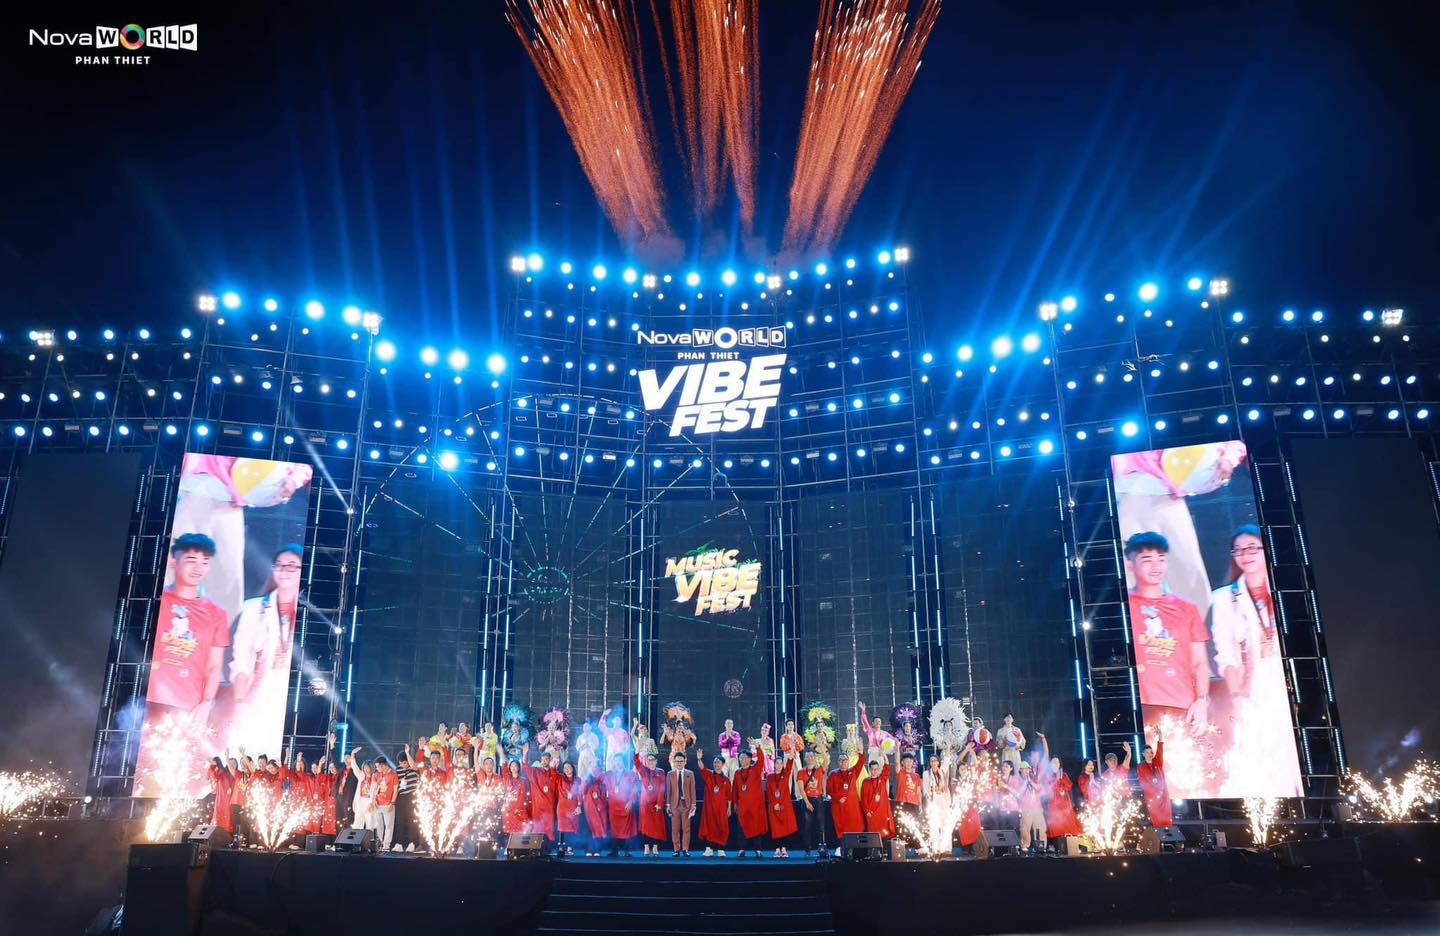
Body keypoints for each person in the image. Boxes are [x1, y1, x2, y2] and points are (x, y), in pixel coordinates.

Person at [1210, 525, 1304, 797]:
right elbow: (1225, 653)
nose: (1245, 554)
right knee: (1261, 758)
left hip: (1287, 683)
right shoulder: (1224, 598)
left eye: (1252, 547)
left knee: (1295, 757)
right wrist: (1236, 697)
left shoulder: (1286, 590)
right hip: (1254, 689)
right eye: (1238, 550)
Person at [136, 534, 231, 795]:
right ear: (173, 562)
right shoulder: (156, 602)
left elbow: (214, 666)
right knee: (139, 774)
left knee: (173, 777)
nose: (198, 568)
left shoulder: (216, 614)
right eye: (191, 560)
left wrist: (206, 703)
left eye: (205, 562)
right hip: (148, 700)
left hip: (187, 707)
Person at [1125, 532, 1212, 729]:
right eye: (1147, 560)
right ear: (1130, 564)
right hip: (1140, 706)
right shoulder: (1123, 606)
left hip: (1180, 706)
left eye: (1161, 559)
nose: (1156, 566)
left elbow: (1200, 662)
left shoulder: (1187, 608)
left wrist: (1201, 700)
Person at [226, 545, 304, 754]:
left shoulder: (307, 613)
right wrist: (240, 702)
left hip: (291, 701)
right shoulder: (254, 608)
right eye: (279, 565)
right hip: (257, 698)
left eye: (292, 565)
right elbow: (241, 658)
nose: (284, 570)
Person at [1038, 734, 1081, 844]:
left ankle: (1068, 846)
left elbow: (1069, 787)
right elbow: (1047, 789)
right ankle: (1057, 846)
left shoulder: (1064, 775)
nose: (1055, 764)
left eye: (1057, 762)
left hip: (1065, 804)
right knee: (1056, 828)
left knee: (1068, 829)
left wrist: (1060, 778)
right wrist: (1055, 779)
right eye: (1053, 762)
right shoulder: (1048, 776)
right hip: (1054, 805)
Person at [827, 753, 867, 853]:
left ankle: (856, 850)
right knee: (841, 829)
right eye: (841, 760)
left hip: (852, 807)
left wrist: (860, 751)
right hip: (839, 807)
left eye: (845, 760)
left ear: (848, 762)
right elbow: (829, 790)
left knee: (856, 828)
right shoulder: (833, 774)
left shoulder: (853, 772)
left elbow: (861, 761)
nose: (843, 762)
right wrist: (838, 798)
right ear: (838, 762)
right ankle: (841, 849)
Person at [695, 749, 733, 857]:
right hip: (709, 807)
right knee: (709, 827)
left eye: (718, 762)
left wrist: (729, 808)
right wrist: (699, 759)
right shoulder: (709, 775)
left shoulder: (726, 779)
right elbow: (702, 768)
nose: (716, 764)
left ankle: (721, 849)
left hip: (721, 808)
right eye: (715, 762)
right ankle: (709, 849)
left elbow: (729, 796)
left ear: (723, 764)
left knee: (722, 827)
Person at [732, 748, 768, 856]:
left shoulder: (755, 769)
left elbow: (761, 759)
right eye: (740, 758)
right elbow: (734, 789)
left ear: (749, 759)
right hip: (742, 805)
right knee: (741, 827)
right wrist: (735, 803)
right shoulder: (737, 772)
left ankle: (758, 849)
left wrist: (757, 747)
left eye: (744, 757)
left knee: (755, 826)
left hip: (755, 805)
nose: (741, 759)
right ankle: (741, 849)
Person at [603, 754, 639, 856]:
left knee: (627, 828)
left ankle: (627, 851)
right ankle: (614, 850)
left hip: (626, 805)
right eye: (615, 761)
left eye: (619, 760)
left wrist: (631, 801)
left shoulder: (631, 774)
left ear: (623, 761)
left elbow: (635, 789)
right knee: (614, 829)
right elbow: (602, 784)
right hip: (613, 805)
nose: (617, 763)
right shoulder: (609, 774)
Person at [766, 750, 800, 857]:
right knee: (776, 828)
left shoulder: (785, 774)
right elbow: (769, 793)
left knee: (785, 828)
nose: (779, 765)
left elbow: (790, 763)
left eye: (781, 763)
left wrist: (792, 749)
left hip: (784, 806)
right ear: (774, 764)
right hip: (774, 806)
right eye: (777, 763)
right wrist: (774, 804)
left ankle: (784, 849)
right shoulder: (770, 777)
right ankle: (777, 849)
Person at [634, 749, 668, 856]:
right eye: (649, 760)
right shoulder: (643, 770)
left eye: (653, 760)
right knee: (645, 826)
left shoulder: (661, 772)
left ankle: (655, 847)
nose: (651, 762)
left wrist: (659, 804)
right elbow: (636, 762)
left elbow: (662, 789)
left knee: (656, 827)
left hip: (656, 804)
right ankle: (646, 847)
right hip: (645, 804)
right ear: (646, 761)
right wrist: (637, 752)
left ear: (656, 761)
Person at [1137, 735, 1172, 828]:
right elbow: (1144, 782)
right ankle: (1159, 834)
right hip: (1152, 797)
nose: (1150, 754)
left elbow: (1160, 749)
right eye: (1147, 752)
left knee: (1167, 818)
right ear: (1143, 754)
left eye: (1151, 752)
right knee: (1157, 819)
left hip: (1163, 795)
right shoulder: (1141, 766)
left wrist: (1160, 735)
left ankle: (1169, 833)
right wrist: (1154, 788)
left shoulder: (1157, 762)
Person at [524, 746, 559, 841]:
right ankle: (536, 845)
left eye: (547, 759)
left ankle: (549, 846)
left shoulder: (553, 773)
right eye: (543, 759)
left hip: (549, 806)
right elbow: (526, 766)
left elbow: (555, 773)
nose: (544, 761)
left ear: (550, 760)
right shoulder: (535, 772)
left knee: (549, 828)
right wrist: (525, 753)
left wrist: (556, 759)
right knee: (537, 828)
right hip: (538, 807)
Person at [666, 751, 697, 856]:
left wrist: (693, 805)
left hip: (686, 805)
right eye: (677, 761)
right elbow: (668, 791)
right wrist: (668, 805)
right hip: (674, 805)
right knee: (675, 829)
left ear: (685, 762)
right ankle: (676, 850)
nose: (679, 763)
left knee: (686, 828)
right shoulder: (670, 774)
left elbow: (692, 790)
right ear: (674, 762)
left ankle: (685, 850)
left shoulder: (690, 773)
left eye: (681, 761)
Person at [797, 750, 826, 855]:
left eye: (811, 756)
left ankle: (822, 846)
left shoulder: (819, 770)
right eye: (807, 756)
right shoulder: (801, 772)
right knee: (807, 825)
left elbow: (826, 760)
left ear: (815, 758)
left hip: (818, 799)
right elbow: (801, 789)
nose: (810, 758)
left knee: (821, 824)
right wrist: (807, 803)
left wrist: (821, 747)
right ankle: (807, 849)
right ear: (805, 759)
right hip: (807, 799)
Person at [1015, 762, 1047, 854]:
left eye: (1028, 769)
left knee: (1040, 827)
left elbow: (1039, 789)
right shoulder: (1018, 780)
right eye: (1024, 769)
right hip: (1025, 808)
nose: (1026, 771)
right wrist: (1025, 782)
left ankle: (1041, 845)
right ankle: (1025, 846)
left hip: (1037, 807)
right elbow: (1018, 793)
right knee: (1025, 828)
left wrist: (1030, 781)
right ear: (1020, 770)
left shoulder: (1034, 779)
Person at [860, 756, 895, 840]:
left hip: (882, 811)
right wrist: (867, 811)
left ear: (878, 769)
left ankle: (884, 847)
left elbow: (887, 767)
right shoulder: (866, 781)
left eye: (876, 769)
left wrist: (884, 755)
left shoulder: (882, 779)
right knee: (873, 834)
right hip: (872, 812)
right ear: (869, 769)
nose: (874, 771)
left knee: (884, 833)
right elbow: (863, 798)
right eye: (872, 769)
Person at [894, 751, 923, 849]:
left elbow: (918, 792)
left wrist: (920, 805)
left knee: (914, 825)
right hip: (902, 802)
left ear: (913, 762)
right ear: (902, 762)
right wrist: (897, 749)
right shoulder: (900, 773)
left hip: (914, 804)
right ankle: (903, 848)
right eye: (906, 761)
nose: (908, 763)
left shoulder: (917, 776)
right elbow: (896, 764)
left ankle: (915, 847)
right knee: (902, 825)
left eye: (910, 761)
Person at [581, 764, 610, 857]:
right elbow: (582, 791)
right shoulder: (587, 780)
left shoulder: (602, 781)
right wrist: (586, 779)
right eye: (592, 768)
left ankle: (597, 849)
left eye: (596, 768)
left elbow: (605, 796)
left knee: (599, 829)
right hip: (589, 809)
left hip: (599, 809)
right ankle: (589, 849)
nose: (594, 770)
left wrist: (600, 804)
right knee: (589, 829)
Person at [344, 747, 375, 831]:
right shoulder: (361, 775)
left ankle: (370, 839)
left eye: (367, 767)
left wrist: (372, 803)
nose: (366, 769)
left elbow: (375, 792)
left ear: (371, 768)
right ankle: (356, 839)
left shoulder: (375, 778)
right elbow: (355, 768)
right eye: (364, 767)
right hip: (360, 802)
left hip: (369, 803)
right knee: (357, 824)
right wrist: (352, 755)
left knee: (370, 824)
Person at [501, 759, 531, 846]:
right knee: (509, 833)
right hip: (508, 812)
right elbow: (504, 766)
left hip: (519, 811)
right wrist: (501, 753)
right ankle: (509, 849)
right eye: (512, 766)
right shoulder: (507, 779)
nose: (513, 768)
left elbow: (524, 796)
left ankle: (519, 849)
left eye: (515, 766)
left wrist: (520, 809)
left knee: (520, 832)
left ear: (518, 768)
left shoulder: (523, 781)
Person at [556, 761, 583, 856]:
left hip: (573, 807)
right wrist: (555, 762)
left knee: (573, 827)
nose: (566, 769)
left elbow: (580, 793)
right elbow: (553, 773)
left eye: (568, 767)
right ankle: (561, 847)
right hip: (562, 807)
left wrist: (579, 806)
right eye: (564, 768)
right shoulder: (560, 778)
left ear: (573, 768)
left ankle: (570, 848)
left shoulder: (578, 780)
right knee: (562, 828)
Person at [206, 757, 236, 834]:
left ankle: (228, 833)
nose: (232, 765)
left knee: (229, 817)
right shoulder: (223, 772)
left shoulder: (238, 774)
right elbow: (214, 775)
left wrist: (231, 787)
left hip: (233, 800)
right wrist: (213, 765)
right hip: (222, 798)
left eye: (234, 763)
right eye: (230, 763)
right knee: (220, 815)